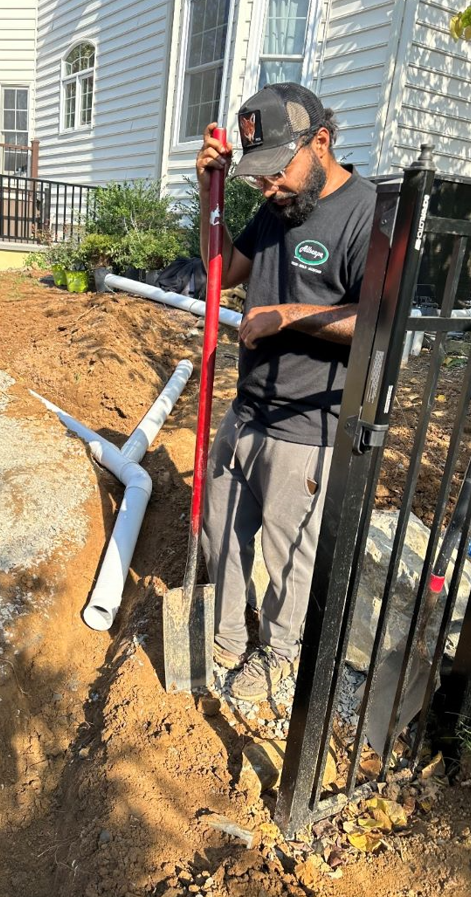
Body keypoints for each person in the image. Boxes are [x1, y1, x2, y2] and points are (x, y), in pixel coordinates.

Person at [197, 83, 377, 703]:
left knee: (288, 554)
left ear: (320, 141)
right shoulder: (279, 203)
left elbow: (375, 323)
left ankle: (277, 654)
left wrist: (287, 316)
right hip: (247, 408)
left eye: (275, 171)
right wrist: (209, 192)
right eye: (256, 177)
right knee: (218, 529)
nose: (268, 186)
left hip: (308, 426)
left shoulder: (365, 214)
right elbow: (219, 263)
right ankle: (223, 638)